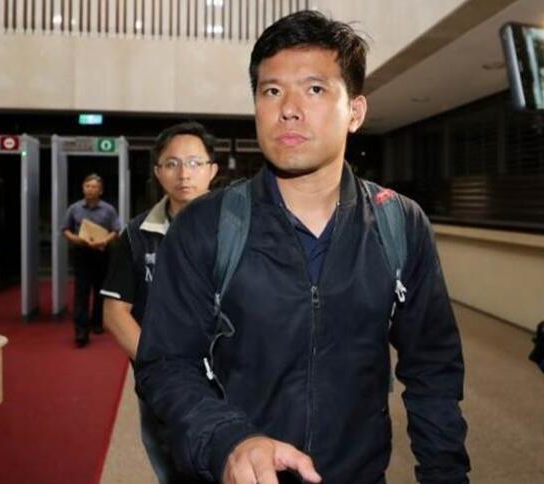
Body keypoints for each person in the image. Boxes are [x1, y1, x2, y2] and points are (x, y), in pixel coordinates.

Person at [136, 10, 470, 484]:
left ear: (355, 112)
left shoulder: (400, 223)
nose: (288, 109)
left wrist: (445, 475)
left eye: (314, 89)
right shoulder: (206, 226)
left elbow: (433, 369)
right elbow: (166, 364)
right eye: (271, 91)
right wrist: (228, 441)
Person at [100, 122, 219, 483]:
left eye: (195, 163)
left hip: (233, 379)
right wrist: (162, 368)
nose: (184, 174)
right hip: (164, 386)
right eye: (172, 163)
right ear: (157, 171)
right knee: (173, 468)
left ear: (212, 169)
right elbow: (115, 313)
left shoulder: (241, 228)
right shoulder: (136, 235)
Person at [62, 173, 120, 347]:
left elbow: (116, 230)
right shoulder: (74, 208)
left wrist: (105, 240)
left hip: (102, 253)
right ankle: (81, 331)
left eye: (94, 187)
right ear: (83, 188)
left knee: (100, 289)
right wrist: (75, 239)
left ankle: (97, 322)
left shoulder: (108, 209)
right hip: (81, 253)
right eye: (87, 186)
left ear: (100, 191)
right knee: (81, 291)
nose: (90, 189)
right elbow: (65, 229)